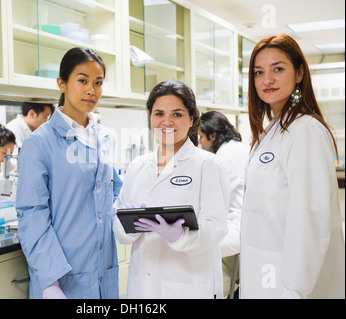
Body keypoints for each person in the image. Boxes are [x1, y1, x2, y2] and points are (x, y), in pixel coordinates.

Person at [241, 34, 345, 299]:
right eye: (258, 72)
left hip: (290, 284)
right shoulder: (271, 133)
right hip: (264, 272)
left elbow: (310, 218)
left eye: (278, 69)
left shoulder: (305, 130)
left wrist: (293, 290)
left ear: (299, 73)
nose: (267, 80)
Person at [16, 47, 122, 299]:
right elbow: (32, 215)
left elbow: (114, 192)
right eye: (82, 80)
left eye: (98, 83)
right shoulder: (39, 143)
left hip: (103, 271)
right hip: (62, 277)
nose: (91, 90)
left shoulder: (106, 137)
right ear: (62, 84)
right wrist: (50, 281)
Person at [113, 80, 229, 299]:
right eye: (159, 114)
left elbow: (217, 227)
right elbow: (119, 230)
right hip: (143, 287)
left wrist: (179, 237)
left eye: (177, 114)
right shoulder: (137, 167)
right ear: (149, 117)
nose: (167, 122)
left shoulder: (208, 165)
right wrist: (127, 224)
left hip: (189, 284)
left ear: (192, 119)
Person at [199, 110, 249, 297]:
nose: (200, 143)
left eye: (201, 137)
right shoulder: (235, 149)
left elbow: (213, 195)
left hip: (238, 225)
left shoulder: (228, 156)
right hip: (238, 222)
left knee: (197, 246)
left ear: (212, 136)